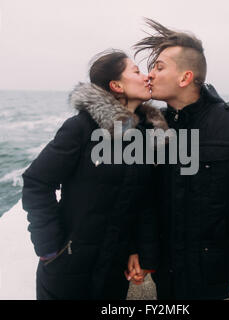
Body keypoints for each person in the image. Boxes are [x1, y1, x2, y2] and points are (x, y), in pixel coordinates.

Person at [126, 19, 229, 299]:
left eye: (159, 67)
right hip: (165, 270)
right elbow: (141, 195)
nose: (150, 75)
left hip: (214, 271)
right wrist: (138, 249)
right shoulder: (149, 127)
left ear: (185, 78)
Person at [22, 49, 164, 299]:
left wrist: (135, 250)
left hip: (113, 271)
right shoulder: (82, 128)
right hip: (67, 269)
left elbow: (142, 201)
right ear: (116, 85)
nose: (146, 77)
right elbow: (37, 182)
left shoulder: (141, 136)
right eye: (136, 71)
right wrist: (51, 249)